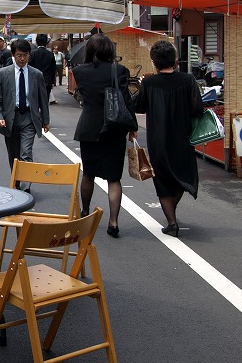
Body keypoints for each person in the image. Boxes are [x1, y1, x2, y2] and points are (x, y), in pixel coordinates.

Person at [133, 40, 204, 237]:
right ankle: (171, 211)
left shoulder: (149, 82)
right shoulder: (188, 80)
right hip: (183, 137)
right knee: (182, 177)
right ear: (175, 60)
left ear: (154, 62)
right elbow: (197, 108)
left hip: (158, 139)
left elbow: (139, 107)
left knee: (163, 180)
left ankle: (171, 222)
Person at [72, 34, 137, 238]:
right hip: (113, 128)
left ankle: (84, 212)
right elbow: (126, 100)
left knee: (89, 173)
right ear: (110, 50)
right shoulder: (118, 71)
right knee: (113, 178)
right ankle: (114, 221)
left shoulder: (79, 71)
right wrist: (132, 125)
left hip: (89, 127)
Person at [0, 39, 50, 184]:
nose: (22, 58)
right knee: (14, 155)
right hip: (10, 118)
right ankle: (16, 180)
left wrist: (46, 120)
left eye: (25, 55)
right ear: (13, 55)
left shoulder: (37, 74)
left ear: (29, 55)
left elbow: (43, 99)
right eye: (19, 55)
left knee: (26, 153)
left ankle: (26, 185)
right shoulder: (2, 73)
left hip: (29, 118)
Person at [29, 34, 58, 105]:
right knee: (44, 102)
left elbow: (29, 67)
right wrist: (53, 82)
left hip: (34, 80)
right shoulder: (50, 54)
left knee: (35, 102)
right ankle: (44, 115)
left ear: (36, 42)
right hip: (47, 81)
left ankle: (36, 115)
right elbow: (53, 69)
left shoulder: (32, 53)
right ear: (46, 43)